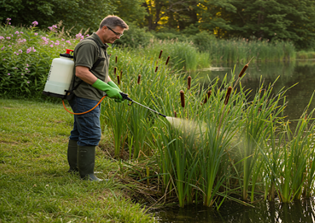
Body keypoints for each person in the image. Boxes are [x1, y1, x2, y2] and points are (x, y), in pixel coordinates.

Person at [67, 15, 129, 181]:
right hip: (84, 96)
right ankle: (87, 175)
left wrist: (114, 88)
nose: (118, 37)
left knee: (79, 132)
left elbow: (101, 73)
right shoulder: (89, 45)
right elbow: (81, 72)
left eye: (120, 35)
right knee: (91, 134)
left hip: (92, 95)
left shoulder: (102, 46)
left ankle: (75, 169)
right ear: (105, 28)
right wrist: (105, 89)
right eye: (116, 33)